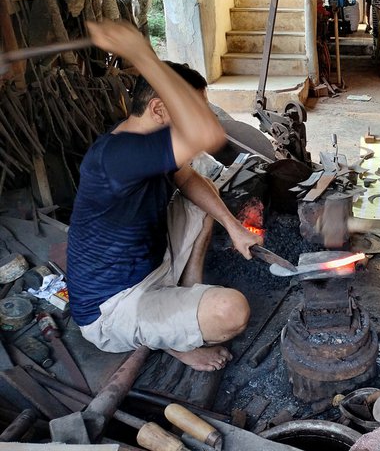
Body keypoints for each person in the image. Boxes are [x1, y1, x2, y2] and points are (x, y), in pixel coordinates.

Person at [67, 20, 263, 372]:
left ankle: (185, 300)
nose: (201, 116)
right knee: (231, 311)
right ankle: (175, 339)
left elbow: (188, 179)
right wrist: (140, 52)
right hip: (114, 308)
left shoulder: (145, 144)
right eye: (192, 108)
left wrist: (232, 226)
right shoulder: (116, 156)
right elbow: (207, 133)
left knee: (204, 197)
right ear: (159, 110)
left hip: (152, 269)